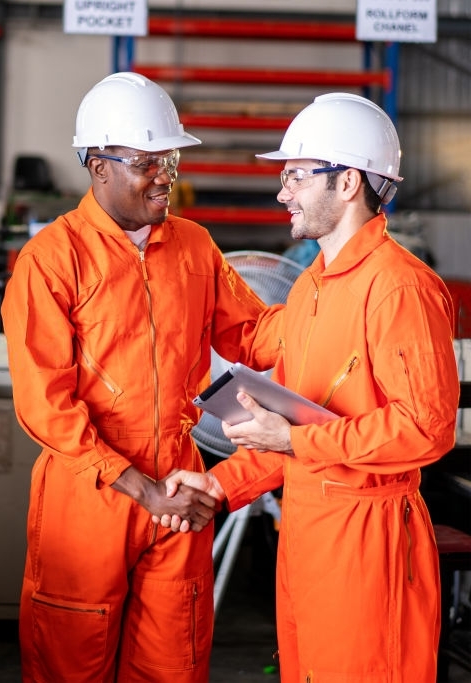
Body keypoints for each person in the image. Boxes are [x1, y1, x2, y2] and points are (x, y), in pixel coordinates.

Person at [160, 93, 460, 681]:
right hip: (303, 535)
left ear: (348, 182)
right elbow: (289, 432)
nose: (282, 192)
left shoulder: (400, 288)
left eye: (296, 175)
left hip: (367, 543)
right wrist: (214, 486)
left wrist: (296, 442)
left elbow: (426, 428)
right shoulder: (309, 290)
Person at [0, 72, 282, 683]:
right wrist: (138, 486)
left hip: (177, 492)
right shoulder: (52, 260)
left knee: (172, 666)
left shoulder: (195, 248)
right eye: (146, 162)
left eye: (170, 158)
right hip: (89, 495)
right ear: (98, 167)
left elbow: (256, 338)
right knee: (72, 667)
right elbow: (46, 405)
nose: (165, 175)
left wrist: (329, 308)